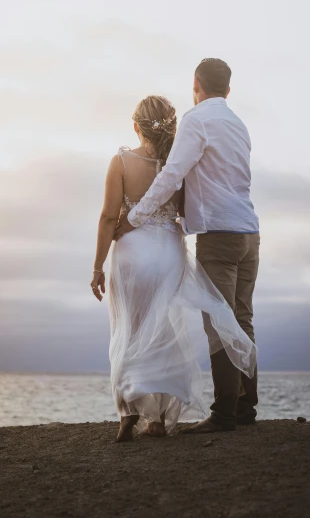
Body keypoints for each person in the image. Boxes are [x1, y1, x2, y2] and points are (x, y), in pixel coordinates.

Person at [91, 92, 256, 442]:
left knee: (129, 329)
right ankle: (160, 418)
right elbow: (184, 210)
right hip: (167, 250)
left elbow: (108, 217)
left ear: (135, 126)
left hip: (131, 253)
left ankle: (128, 410)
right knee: (165, 331)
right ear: (171, 127)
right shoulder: (178, 165)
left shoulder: (120, 162)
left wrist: (97, 267)